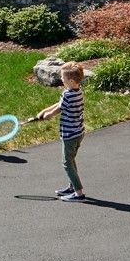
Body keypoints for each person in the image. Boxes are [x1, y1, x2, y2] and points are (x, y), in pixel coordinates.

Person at [36, 62, 86, 202]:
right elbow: (60, 104)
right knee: (71, 160)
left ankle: (79, 193)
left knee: (67, 163)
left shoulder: (68, 95)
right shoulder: (77, 92)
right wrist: (44, 111)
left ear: (70, 80)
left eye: (63, 77)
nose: (61, 79)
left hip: (70, 135)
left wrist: (49, 115)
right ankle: (72, 186)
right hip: (79, 133)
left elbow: (58, 109)